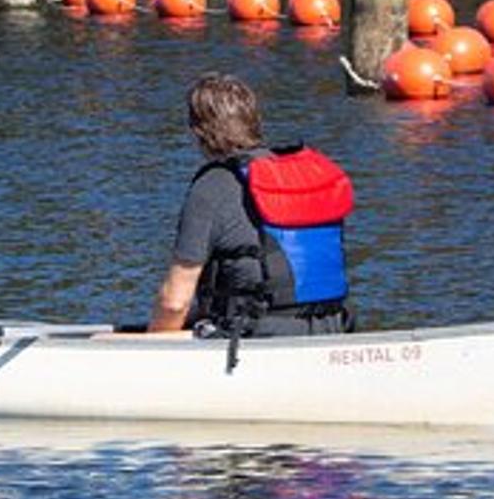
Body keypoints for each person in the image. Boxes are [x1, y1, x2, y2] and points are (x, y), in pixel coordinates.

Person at [148, 72, 355, 338]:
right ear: (254, 122)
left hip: (256, 336)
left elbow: (175, 302)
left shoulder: (213, 185)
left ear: (197, 131)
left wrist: (151, 344)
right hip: (332, 327)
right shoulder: (301, 174)